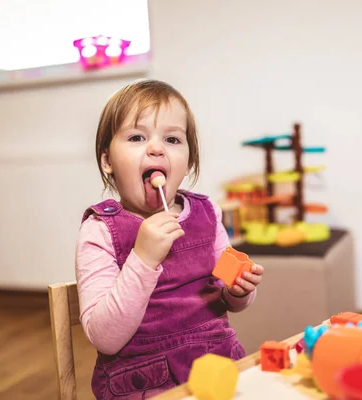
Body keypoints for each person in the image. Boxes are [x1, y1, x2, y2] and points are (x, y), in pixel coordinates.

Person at [75, 79, 264, 399]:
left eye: (173, 138)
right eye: (137, 137)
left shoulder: (208, 213)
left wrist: (238, 291)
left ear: (189, 161)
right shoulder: (100, 229)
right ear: (107, 161)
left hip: (217, 370)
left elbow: (226, 296)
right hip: (144, 386)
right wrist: (143, 258)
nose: (156, 148)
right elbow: (104, 338)